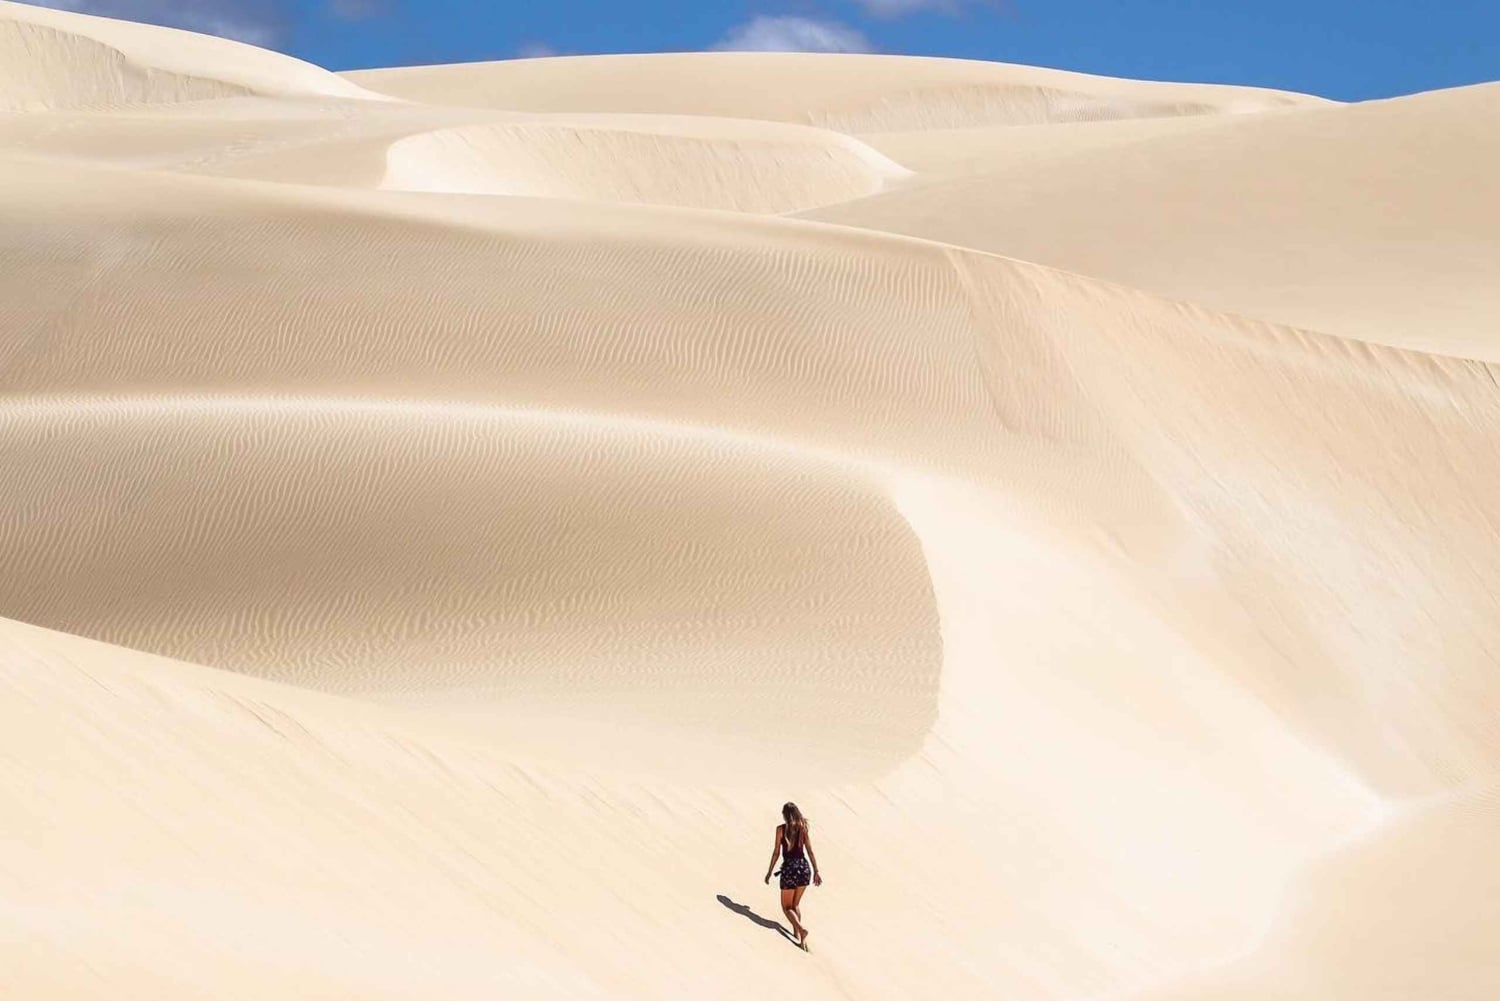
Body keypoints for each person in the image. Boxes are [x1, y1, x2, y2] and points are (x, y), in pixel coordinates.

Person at [763, 801, 822, 950]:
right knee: (795, 905)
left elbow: (776, 852)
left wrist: (770, 871)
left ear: (784, 815)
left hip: (790, 869)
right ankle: (799, 938)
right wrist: (816, 871)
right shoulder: (803, 829)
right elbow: (810, 851)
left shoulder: (780, 830)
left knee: (786, 907)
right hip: (804, 868)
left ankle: (801, 929)